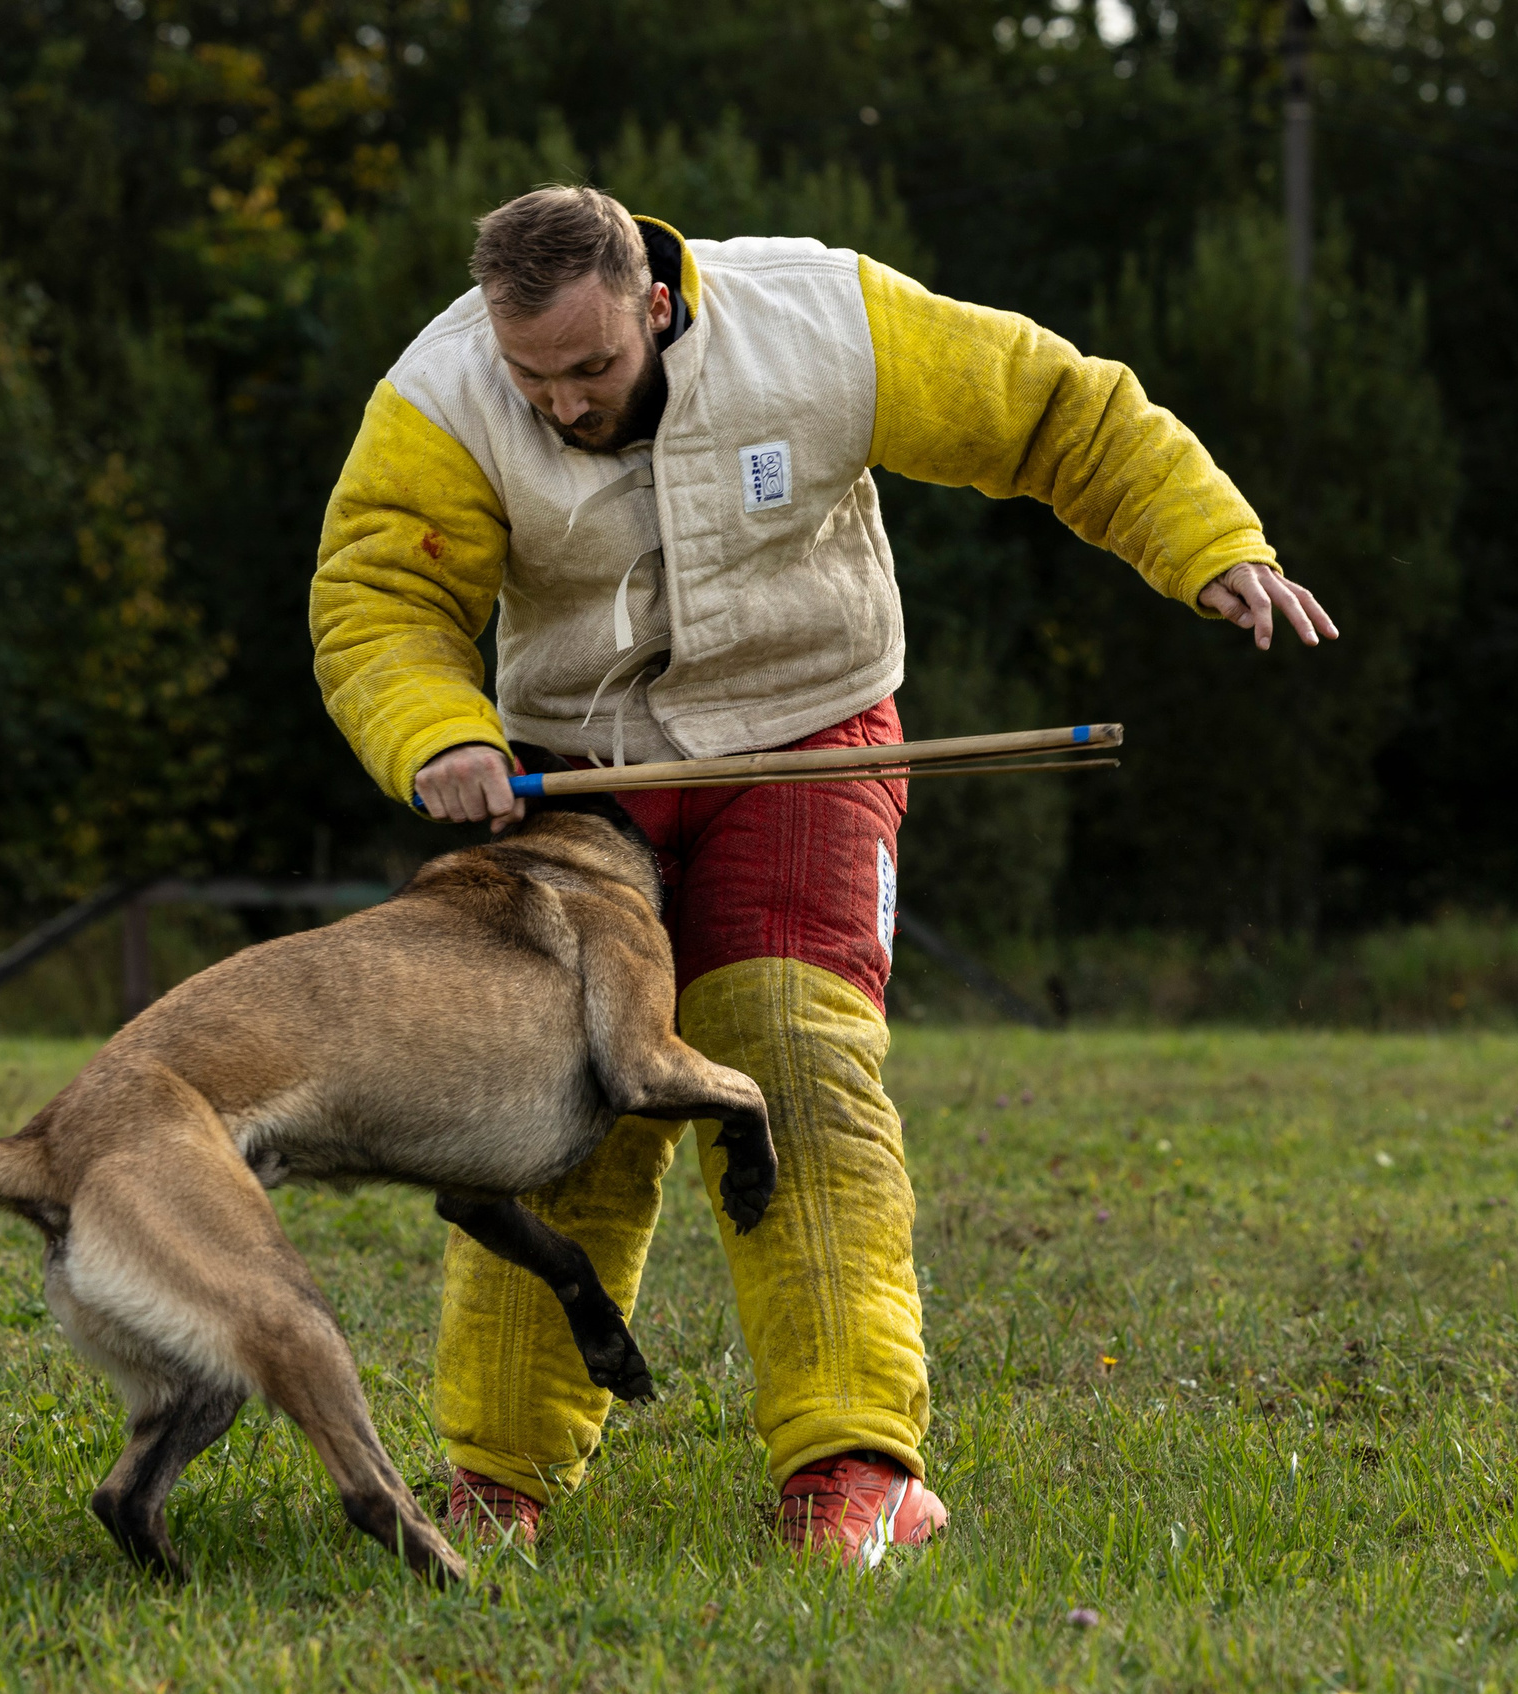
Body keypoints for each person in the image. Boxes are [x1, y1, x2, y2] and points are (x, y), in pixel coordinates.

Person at [309, 185, 1335, 1565]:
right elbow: (381, 597)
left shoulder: (823, 321)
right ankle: (499, 1483)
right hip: (576, 764)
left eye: (591, 369)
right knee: (550, 1106)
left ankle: (853, 1474)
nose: (558, 403)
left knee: (789, 1063)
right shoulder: (439, 398)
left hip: (809, 734)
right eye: (531, 376)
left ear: (656, 305)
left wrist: (1209, 547)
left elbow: (1054, 410)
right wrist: (440, 736)